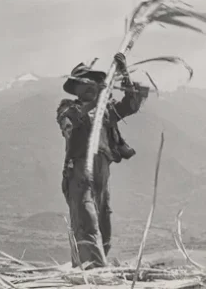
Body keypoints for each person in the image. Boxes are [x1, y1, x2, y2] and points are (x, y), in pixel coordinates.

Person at [56, 53, 149, 269]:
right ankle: (92, 272)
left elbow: (132, 103)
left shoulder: (106, 110)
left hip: (102, 173)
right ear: (76, 88)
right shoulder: (68, 108)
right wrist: (97, 101)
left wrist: (124, 73)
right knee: (86, 220)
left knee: (104, 224)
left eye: (93, 82)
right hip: (79, 172)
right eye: (84, 83)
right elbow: (70, 120)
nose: (90, 86)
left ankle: (94, 268)